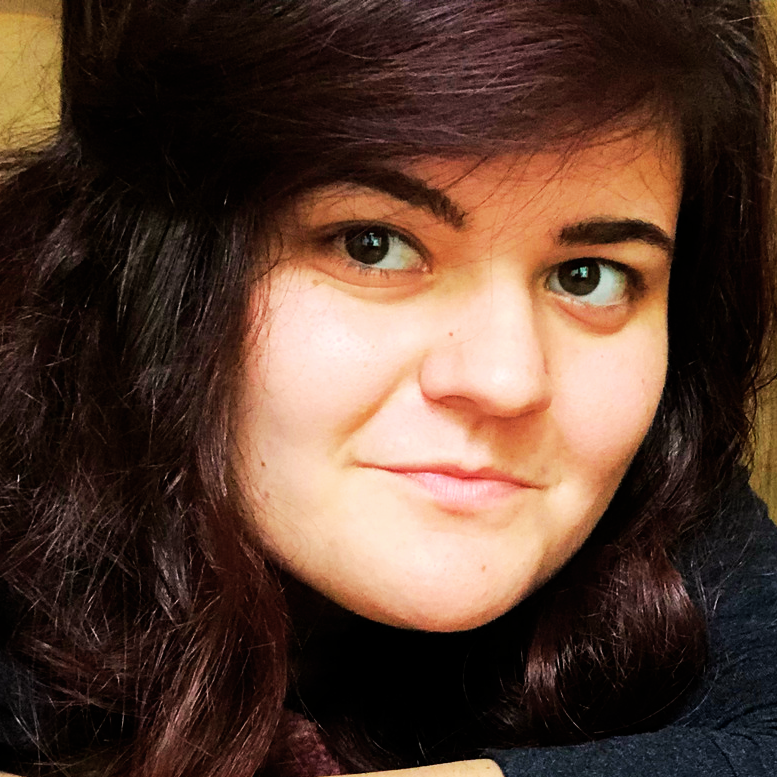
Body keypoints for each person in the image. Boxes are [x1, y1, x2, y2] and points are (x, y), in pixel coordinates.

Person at [0, 0, 775, 776]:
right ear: (166, 264)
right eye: (372, 245)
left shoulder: (661, 481)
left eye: (589, 276)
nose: (506, 381)